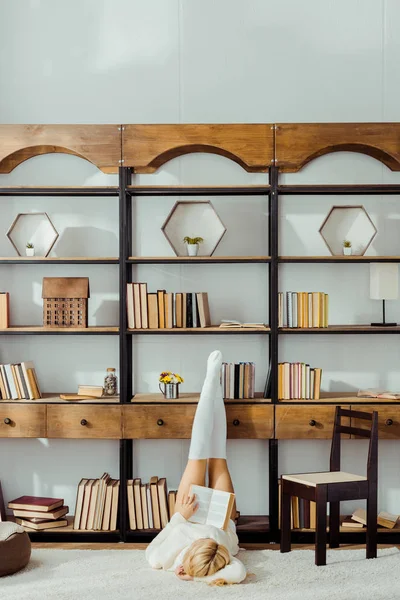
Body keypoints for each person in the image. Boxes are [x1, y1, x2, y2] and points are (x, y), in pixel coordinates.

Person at [145, 350, 247, 585]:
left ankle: (211, 384)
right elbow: (238, 573)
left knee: (206, 454)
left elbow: (237, 572)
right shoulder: (211, 554)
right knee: (209, 455)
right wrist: (196, 576)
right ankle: (213, 385)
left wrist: (181, 516)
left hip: (196, 517)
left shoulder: (214, 553)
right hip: (210, 520)